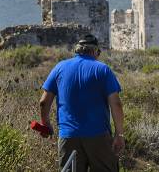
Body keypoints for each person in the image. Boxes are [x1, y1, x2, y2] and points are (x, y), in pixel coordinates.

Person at [39, 34, 124, 171]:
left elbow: (44, 102)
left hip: (68, 136)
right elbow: (116, 104)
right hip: (98, 137)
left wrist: (45, 124)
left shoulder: (59, 68)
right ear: (95, 51)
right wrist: (119, 135)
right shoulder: (102, 70)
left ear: (77, 50)